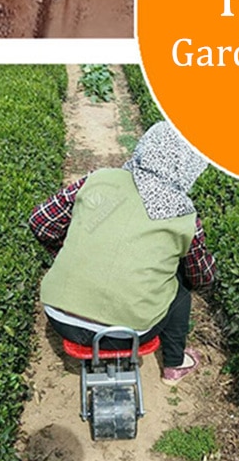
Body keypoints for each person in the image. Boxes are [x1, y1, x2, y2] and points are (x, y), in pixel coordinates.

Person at [29, 121, 216, 384]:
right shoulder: (184, 215)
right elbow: (201, 276)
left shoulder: (97, 179)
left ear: (146, 147)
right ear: (190, 166)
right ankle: (174, 364)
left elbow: (40, 221)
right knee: (181, 287)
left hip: (60, 315)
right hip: (130, 332)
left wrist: (65, 249)